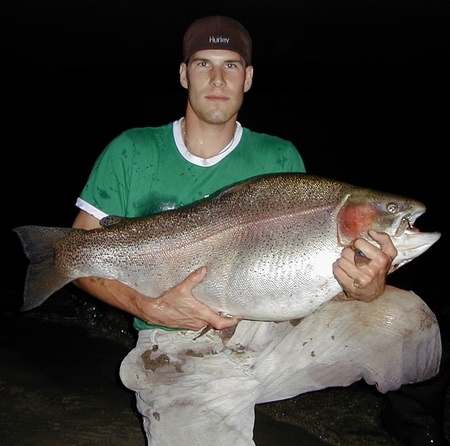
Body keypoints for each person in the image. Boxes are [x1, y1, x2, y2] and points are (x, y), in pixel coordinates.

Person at [71, 15, 449, 446]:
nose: (217, 78)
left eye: (230, 65)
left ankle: (416, 431)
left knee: (407, 319)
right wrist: (148, 307)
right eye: (202, 64)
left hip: (272, 333)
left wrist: (362, 288)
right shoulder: (132, 150)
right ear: (183, 73)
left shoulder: (280, 156)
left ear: (247, 77)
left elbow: (306, 288)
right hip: (175, 347)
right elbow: (77, 254)